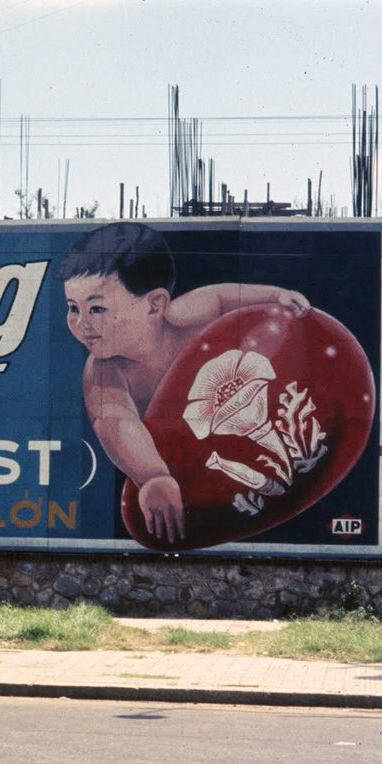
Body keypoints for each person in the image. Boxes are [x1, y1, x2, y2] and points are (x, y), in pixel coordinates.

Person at [58, 222, 309, 544]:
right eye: (72, 308)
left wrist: (277, 295)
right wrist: (153, 477)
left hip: (250, 433)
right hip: (205, 463)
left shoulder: (186, 315)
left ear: (155, 304)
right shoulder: (104, 373)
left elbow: (221, 296)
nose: (82, 324)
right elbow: (116, 423)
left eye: (97, 309)